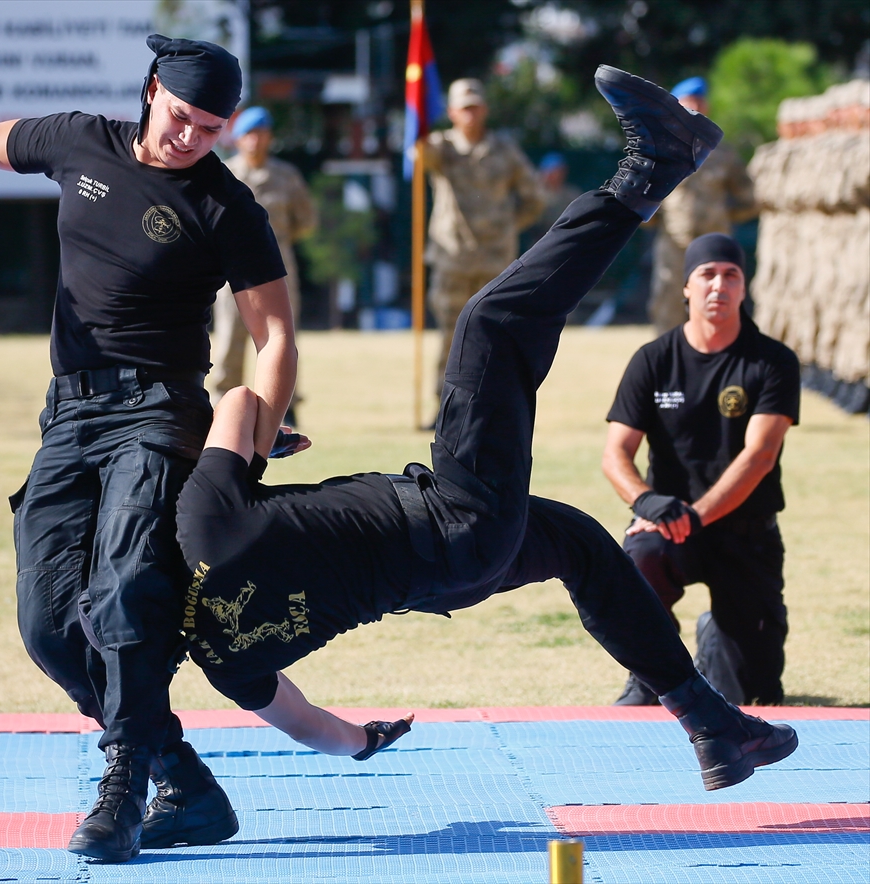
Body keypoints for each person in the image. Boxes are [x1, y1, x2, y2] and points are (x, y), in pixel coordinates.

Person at [172, 67, 798, 798]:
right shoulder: (199, 521)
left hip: (450, 577)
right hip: (451, 517)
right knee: (490, 325)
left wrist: (364, 744)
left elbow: (313, 726)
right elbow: (241, 396)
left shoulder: (223, 662)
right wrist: (259, 433)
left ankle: (713, 725)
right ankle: (652, 164)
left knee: (583, 547)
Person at [0, 35, 295, 862]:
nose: (191, 139)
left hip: (160, 409)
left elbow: (274, 333)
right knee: (48, 625)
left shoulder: (225, 205)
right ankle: (188, 785)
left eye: (211, 128)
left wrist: (258, 439)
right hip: (68, 413)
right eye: (180, 118)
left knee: (128, 589)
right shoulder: (78, 139)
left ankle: (124, 788)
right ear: (149, 91)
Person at [603, 232, 799, 707]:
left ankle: (717, 636)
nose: (719, 285)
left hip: (743, 531)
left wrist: (697, 516)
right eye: (706, 274)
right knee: (639, 554)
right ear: (686, 287)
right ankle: (651, 669)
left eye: (731, 275)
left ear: (744, 287)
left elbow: (759, 457)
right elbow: (616, 454)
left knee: (753, 697)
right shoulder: (653, 360)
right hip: (668, 526)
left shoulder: (772, 362)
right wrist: (646, 502)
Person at [423, 77, 543, 401]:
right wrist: (418, 127)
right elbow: (421, 157)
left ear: (485, 109)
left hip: (496, 263)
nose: (471, 115)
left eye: (476, 107)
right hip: (453, 260)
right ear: (451, 112)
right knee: (450, 336)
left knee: (497, 336)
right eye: (464, 108)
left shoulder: (505, 151)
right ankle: (445, 405)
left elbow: (535, 197)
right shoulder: (441, 147)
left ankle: (493, 402)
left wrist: (507, 227)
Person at [210, 107, 316, 424]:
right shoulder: (223, 173)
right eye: (249, 134)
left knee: (281, 335)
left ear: (269, 137)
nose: (256, 140)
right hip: (231, 268)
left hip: (277, 266)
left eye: (262, 133)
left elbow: (305, 221)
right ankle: (220, 403)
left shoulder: (286, 176)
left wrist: (275, 242)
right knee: (230, 334)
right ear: (238, 139)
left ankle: (286, 405)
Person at [647, 77, 757, 336]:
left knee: (718, 306)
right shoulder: (657, 147)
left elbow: (748, 197)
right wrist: (653, 219)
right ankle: (668, 366)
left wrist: (722, 218)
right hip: (675, 243)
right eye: (688, 101)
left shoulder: (722, 151)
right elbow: (640, 191)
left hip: (715, 244)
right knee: (668, 307)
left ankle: (716, 364)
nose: (695, 106)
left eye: (699, 101)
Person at [524, 152, 583, 246]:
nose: (557, 175)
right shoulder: (535, 194)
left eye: (559, 171)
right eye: (552, 171)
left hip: (566, 241)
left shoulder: (571, 194)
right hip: (539, 243)